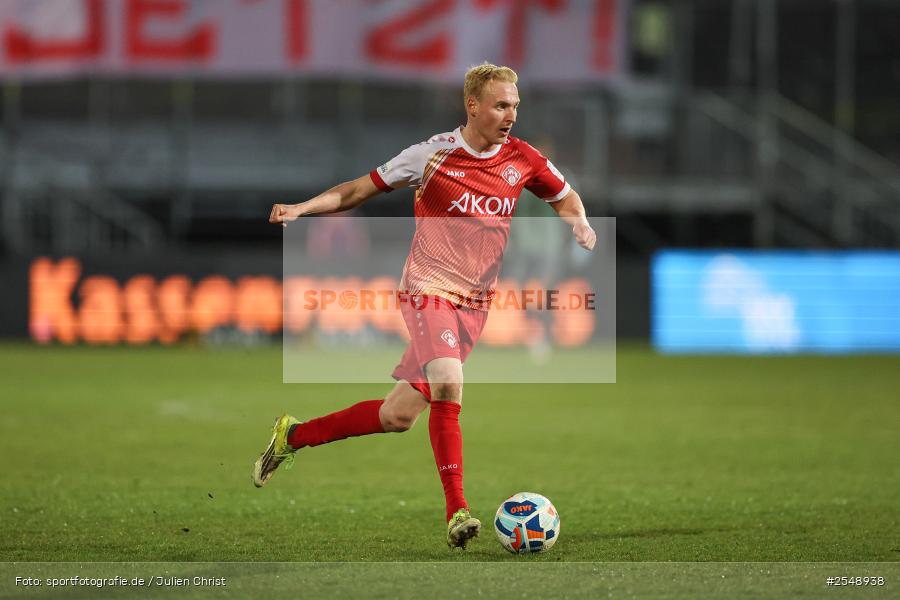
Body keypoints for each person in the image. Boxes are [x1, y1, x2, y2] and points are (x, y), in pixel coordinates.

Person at [256, 62, 597, 549]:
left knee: (398, 417)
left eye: (515, 105)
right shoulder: (431, 155)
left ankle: (293, 435)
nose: (511, 115)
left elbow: (565, 197)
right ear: (473, 106)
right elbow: (356, 190)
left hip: (475, 304)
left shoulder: (523, 158)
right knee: (449, 382)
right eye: (502, 105)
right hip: (427, 288)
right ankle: (457, 509)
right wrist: (302, 208)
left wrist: (579, 223)